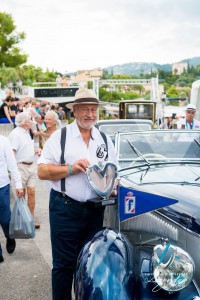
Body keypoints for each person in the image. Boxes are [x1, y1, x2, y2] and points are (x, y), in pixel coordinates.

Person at [37, 88, 118, 300]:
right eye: (85, 109)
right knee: (64, 267)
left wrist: (113, 186)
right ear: (75, 111)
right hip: (65, 208)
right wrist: (71, 169)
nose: (90, 114)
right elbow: (42, 171)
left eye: (94, 109)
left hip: (94, 210)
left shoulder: (105, 140)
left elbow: (113, 174)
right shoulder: (60, 137)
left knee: (91, 265)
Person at [8, 112, 40, 229]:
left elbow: (26, 148)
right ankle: (22, 222)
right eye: (30, 119)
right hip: (20, 167)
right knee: (21, 195)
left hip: (31, 166)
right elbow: (12, 154)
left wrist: (35, 151)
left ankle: (30, 220)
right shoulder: (15, 134)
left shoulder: (27, 132)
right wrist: (14, 172)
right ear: (25, 122)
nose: (32, 121)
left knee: (32, 193)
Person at [0, 135, 24, 263]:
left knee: (5, 219)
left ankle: (9, 236)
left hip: (1, 186)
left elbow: (12, 165)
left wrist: (18, 184)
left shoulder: (3, 141)